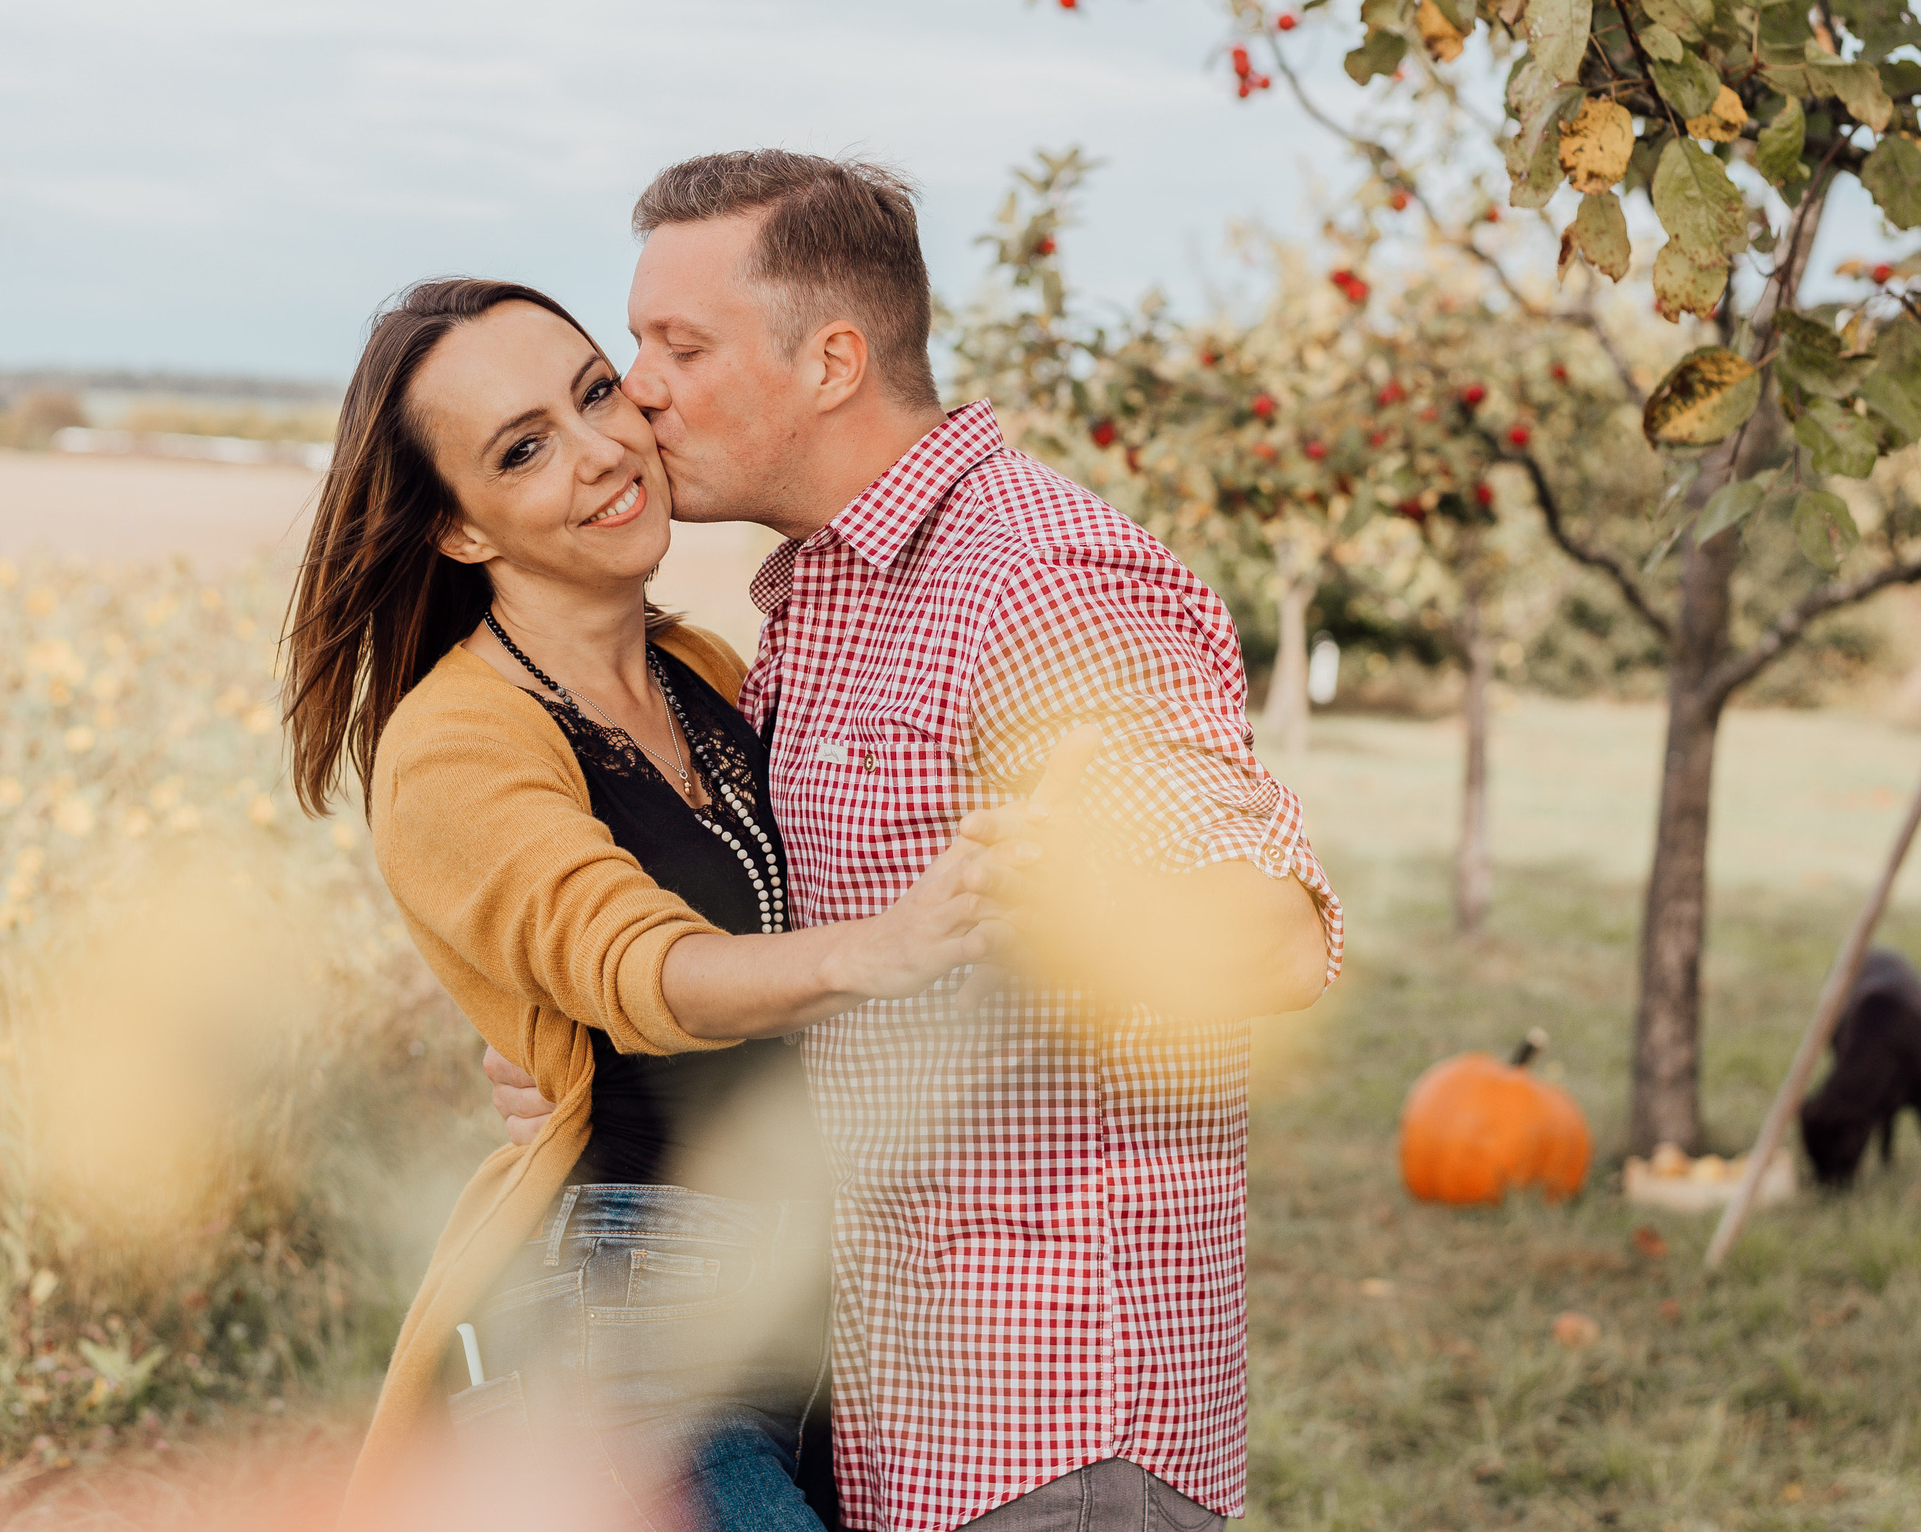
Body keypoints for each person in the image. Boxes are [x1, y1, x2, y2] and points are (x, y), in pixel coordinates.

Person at [485, 152, 1344, 1532]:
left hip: (1051, 1432)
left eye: (680, 345)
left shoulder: (1039, 579)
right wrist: (600, 1065)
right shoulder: (824, 606)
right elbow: (836, 950)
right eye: (637, 340)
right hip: (895, 1410)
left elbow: (1272, 934)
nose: (638, 385)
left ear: (833, 359)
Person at [282, 277, 1025, 1531]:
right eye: (522, 449)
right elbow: (639, 962)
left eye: (593, 392)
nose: (600, 449)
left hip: (803, 1298)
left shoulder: (703, 675)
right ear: (461, 531)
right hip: (620, 1318)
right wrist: (877, 952)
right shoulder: (456, 740)